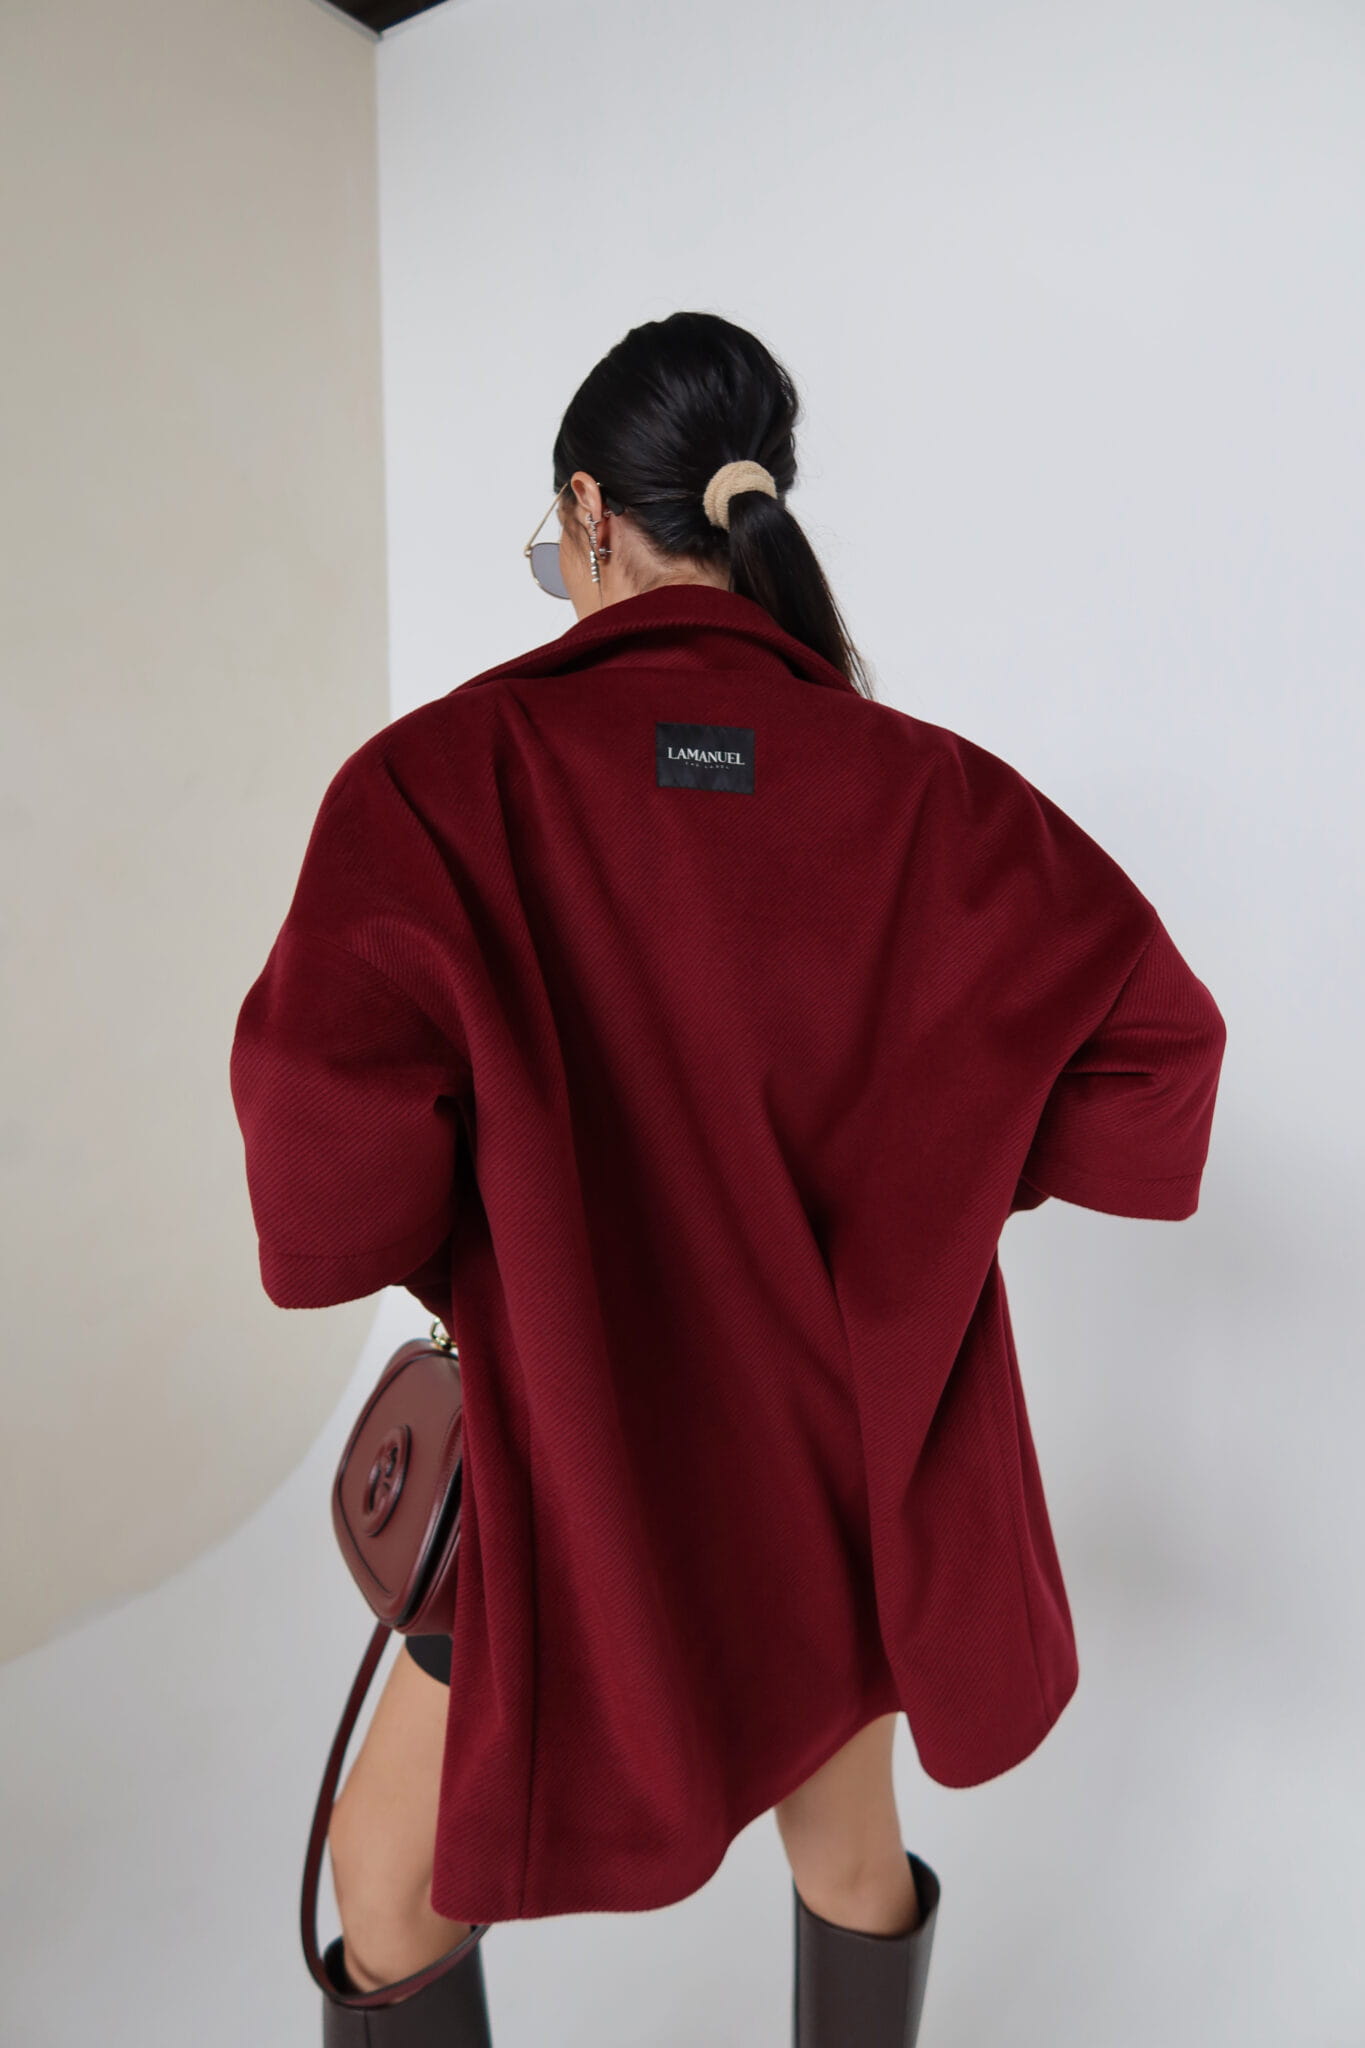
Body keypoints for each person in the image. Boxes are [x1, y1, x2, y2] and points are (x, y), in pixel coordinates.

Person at [229, 311, 1228, 2047]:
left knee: (383, 1885)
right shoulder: (932, 795)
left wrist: (498, 1229)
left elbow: (325, 1202)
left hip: (577, 1462)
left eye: (553, 546)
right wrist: (921, 1190)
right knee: (848, 1851)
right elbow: (1157, 1057)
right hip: (841, 1462)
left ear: (587, 514)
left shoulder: (438, 786)